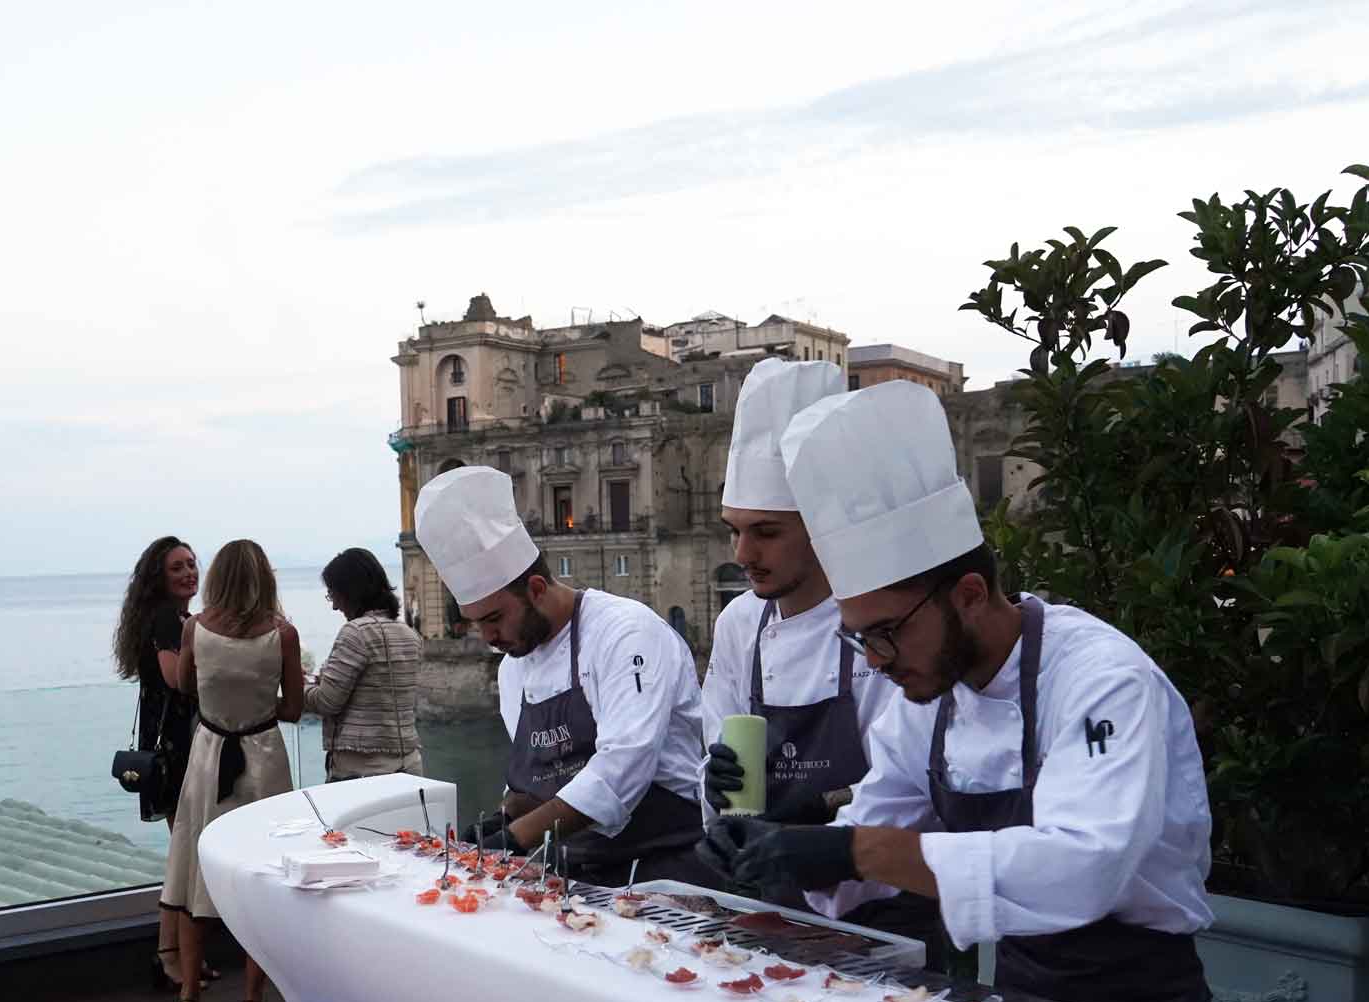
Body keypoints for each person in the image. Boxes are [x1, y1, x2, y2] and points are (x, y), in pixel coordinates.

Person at [698, 383, 1219, 1002]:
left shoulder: (1102, 681)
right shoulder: (930, 700)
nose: (876, 659)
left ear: (971, 594)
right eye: (859, 637)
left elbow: (1084, 867)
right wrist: (777, 842)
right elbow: (869, 828)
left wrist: (851, 851)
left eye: (886, 631)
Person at [699, 359, 937, 951]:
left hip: (883, 919)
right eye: (734, 529)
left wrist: (817, 836)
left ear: (822, 525)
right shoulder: (739, 625)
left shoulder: (885, 627)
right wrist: (722, 804)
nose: (743, 552)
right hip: (761, 904)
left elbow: (909, 786)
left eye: (766, 532)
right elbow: (727, 765)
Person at [414, 466, 708, 887]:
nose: (489, 637)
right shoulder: (513, 667)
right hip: (574, 873)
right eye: (477, 623)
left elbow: (621, 768)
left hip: (664, 870)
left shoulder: (626, 634)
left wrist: (516, 840)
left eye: (495, 618)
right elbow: (540, 783)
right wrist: (500, 820)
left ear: (536, 588)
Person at [161, 539, 302, 1002]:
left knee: (195, 867)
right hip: (261, 757)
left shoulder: (194, 629)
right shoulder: (282, 636)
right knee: (261, 873)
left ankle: (188, 998)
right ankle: (251, 1000)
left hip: (209, 755)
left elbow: (182, 687)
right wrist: (259, 709)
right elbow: (294, 708)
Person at [112, 535, 219, 994]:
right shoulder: (166, 620)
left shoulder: (178, 619)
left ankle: (184, 956)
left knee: (188, 853)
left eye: (192, 564)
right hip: (174, 749)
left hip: (181, 744)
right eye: (177, 567)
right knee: (184, 856)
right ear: (160, 576)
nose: (188, 573)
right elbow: (179, 680)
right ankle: (170, 957)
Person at [306, 548, 423, 780]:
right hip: (408, 766)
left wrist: (298, 688)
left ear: (350, 592)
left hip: (361, 772)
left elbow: (327, 702)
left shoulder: (355, 632)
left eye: (333, 594)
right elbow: (380, 692)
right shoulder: (409, 634)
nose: (334, 606)